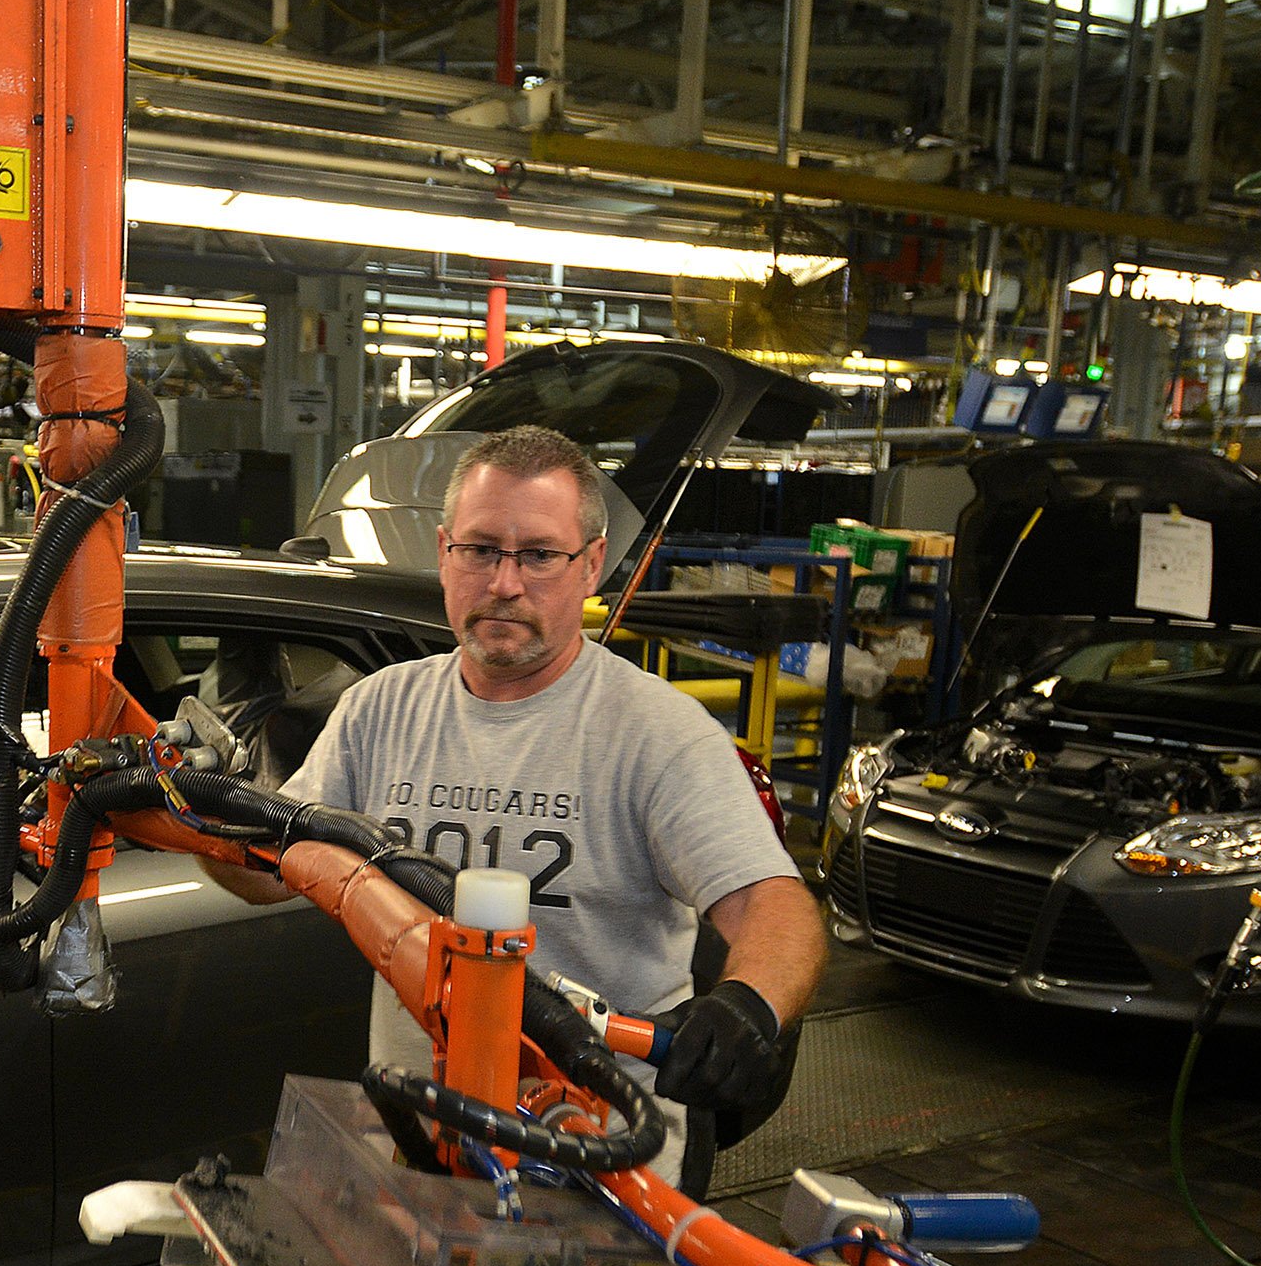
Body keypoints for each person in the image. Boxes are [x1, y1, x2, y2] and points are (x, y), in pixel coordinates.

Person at [198, 423, 825, 1189]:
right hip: (422, 1139)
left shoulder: (657, 734)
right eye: (481, 550)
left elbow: (774, 904)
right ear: (443, 552)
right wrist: (198, 810)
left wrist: (749, 1005)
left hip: (605, 1161)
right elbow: (270, 865)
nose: (504, 583)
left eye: (538, 555)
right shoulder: (379, 710)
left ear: (591, 563)